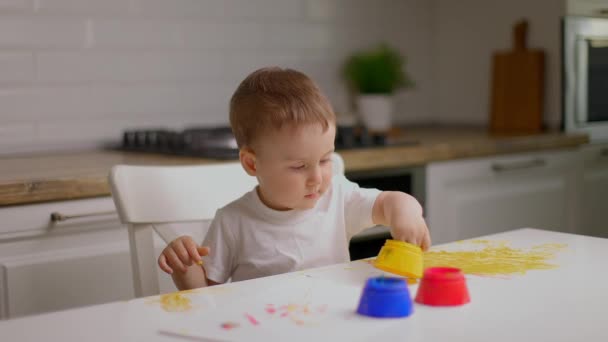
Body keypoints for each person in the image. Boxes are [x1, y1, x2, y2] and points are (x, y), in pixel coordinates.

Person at [158, 67, 431, 290]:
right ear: (252, 163)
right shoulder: (233, 221)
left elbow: (389, 202)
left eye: (325, 160)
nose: (317, 178)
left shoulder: (336, 197)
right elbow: (204, 294)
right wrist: (185, 267)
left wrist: (405, 213)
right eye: (299, 166)